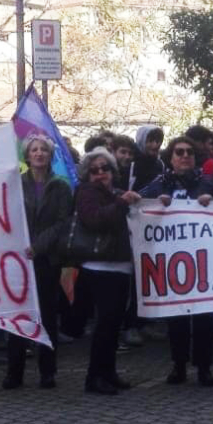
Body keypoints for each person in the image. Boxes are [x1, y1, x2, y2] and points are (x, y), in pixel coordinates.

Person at [141, 137, 213, 386]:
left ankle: (204, 368)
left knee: (203, 319)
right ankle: (178, 365)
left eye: (189, 152)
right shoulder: (158, 184)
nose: (185, 156)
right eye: (179, 152)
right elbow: (138, 205)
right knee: (176, 318)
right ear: (171, 158)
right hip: (172, 261)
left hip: (203, 261)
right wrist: (156, 204)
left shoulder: (208, 182)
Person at [3, 135, 73, 389]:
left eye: (44, 149)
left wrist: (38, 246)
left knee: (46, 314)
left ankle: (47, 371)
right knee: (18, 314)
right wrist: (22, 246)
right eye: (34, 149)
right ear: (27, 155)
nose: (39, 153)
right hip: (19, 259)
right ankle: (14, 371)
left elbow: (62, 223)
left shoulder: (61, 187)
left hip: (46, 259)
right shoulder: (17, 184)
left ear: (50, 155)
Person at [74, 147, 141, 395]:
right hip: (100, 267)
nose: (100, 173)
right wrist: (121, 203)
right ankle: (94, 377)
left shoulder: (119, 194)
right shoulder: (86, 193)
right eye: (94, 170)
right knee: (104, 325)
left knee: (113, 325)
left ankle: (109, 371)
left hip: (121, 267)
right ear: (87, 175)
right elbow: (94, 219)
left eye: (105, 168)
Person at [129, 125, 166, 192]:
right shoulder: (130, 161)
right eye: (150, 141)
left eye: (158, 141)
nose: (155, 145)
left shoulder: (160, 164)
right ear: (141, 140)